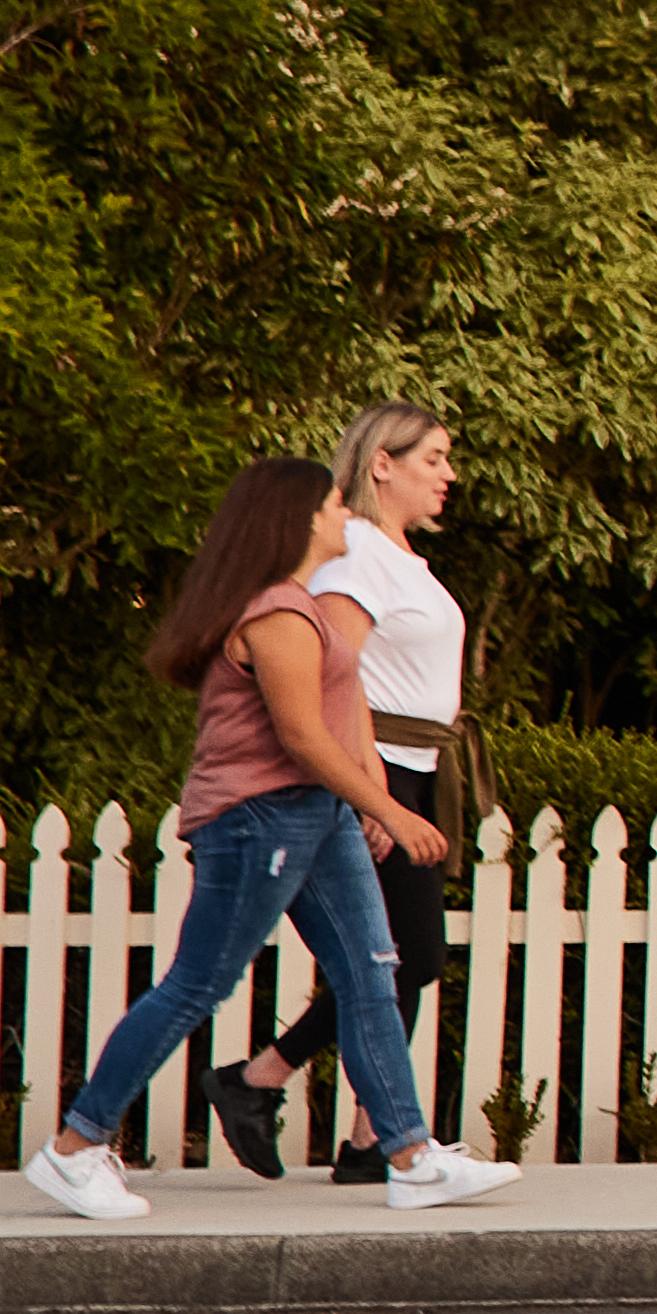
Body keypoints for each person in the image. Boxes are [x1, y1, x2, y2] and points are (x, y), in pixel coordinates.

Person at [26, 457, 514, 1222]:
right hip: (258, 816)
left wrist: (362, 805)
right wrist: (390, 812)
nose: (346, 515)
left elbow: (346, 700)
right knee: (198, 984)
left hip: (317, 815)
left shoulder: (309, 607)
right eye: (331, 504)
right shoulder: (276, 615)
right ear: (295, 519)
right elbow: (299, 736)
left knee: (372, 973)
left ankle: (412, 1158)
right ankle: (74, 1147)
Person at [200, 404, 473, 1184]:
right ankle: (267, 1083)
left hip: (416, 765)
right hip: (378, 767)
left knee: (397, 957)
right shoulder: (354, 556)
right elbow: (334, 673)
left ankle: (364, 1141)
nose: (447, 475)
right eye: (434, 458)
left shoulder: (400, 559)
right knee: (400, 955)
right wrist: (373, 793)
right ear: (382, 464)